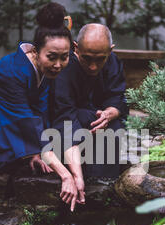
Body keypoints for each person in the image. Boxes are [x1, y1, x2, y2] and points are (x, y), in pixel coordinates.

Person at [0, 2, 83, 211]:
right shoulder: (12, 73)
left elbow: (39, 110)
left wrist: (38, 153)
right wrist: (66, 175)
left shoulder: (40, 69)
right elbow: (25, 122)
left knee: (32, 149)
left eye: (64, 58)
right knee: (21, 138)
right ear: (36, 52)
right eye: (52, 57)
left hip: (0, 113)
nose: (58, 65)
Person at [50, 23, 128, 201]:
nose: (93, 66)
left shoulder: (114, 61)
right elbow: (63, 114)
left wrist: (111, 112)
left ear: (110, 50)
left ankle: (105, 185)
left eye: (100, 59)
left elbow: (119, 97)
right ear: (75, 48)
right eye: (87, 59)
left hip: (100, 120)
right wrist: (75, 175)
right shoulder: (64, 66)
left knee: (114, 126)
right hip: (69, 123)